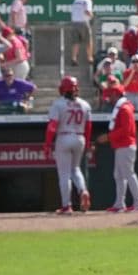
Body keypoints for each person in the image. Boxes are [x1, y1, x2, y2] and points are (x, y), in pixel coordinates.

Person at [43, 76, 94, 214]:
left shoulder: (58, 104)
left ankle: (67, 206)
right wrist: (88, 143)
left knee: (64, 174)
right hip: (80, 138)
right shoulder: (85, 104)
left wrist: (47, 144)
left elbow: (52, 127)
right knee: (76, 169)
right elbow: (89, 127)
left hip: (64, 136)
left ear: (63, 89)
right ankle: (83, 190)